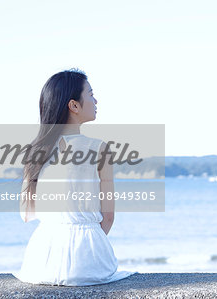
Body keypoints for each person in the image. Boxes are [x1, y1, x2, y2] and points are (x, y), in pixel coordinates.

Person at [12, 69, 136, 286]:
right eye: (90, 94)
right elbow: (108, 217)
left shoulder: (34, 151)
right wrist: (90, 245)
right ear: (74, 105)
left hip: (40, 261)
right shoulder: (99, 148)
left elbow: (26, 214)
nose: (95, 100)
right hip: (89, 258)